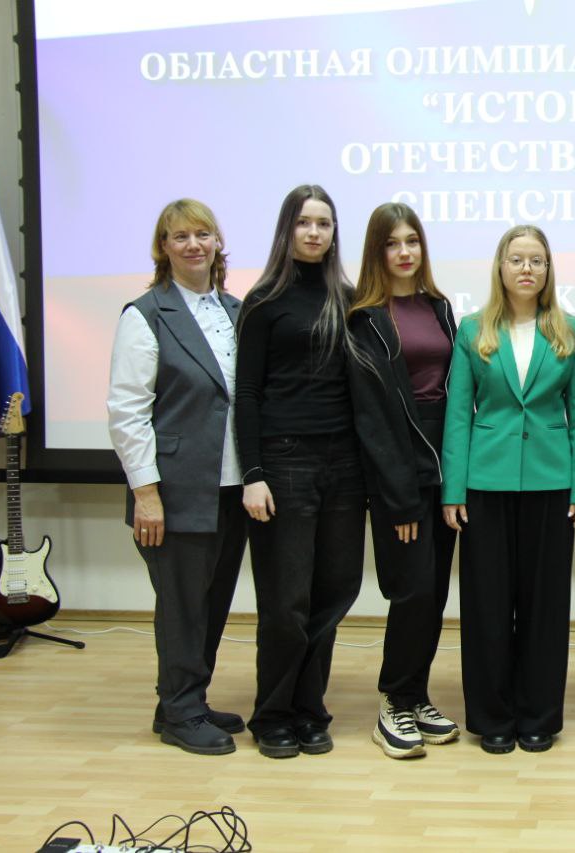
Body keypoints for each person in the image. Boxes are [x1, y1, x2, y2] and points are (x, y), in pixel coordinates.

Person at [441, 224, 575, 755]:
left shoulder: (570, 330)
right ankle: (492, 717)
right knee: (486, 604)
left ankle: (538, 716)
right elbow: (458, 415)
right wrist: (453, 490)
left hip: (553, 484)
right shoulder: (473, 330)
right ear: (500, 267)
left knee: (544, 606)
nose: (527, 268)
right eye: (517, 259)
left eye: (537, 260)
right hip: (484, 483)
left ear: (549, 270)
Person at [107, 199, 247, 756]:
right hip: (174, 490)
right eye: (180, 236)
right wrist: (146, 493)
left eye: (202, 234)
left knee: (212, 603)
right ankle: (181, 713)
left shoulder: (236, 311)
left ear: (217, 243)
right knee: (182, 606)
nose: (193, 245)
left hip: (232, 487)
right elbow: (127, 411)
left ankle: (185, 702)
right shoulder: (146, 314)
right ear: (163, 248)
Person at [235, 185, 366, 758]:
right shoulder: (263, 300)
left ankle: (310, 709)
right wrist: (253, 473)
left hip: (344, 464)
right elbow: (247, 393)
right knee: (286, 601)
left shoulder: (349, 299)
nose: (314, 232)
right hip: (284, 462)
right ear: (287, 229)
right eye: (304, 222)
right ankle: (272, 714)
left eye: (324, 224)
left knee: (335, 590)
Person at [347, 203, 459, 760]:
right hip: (399, 476)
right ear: (377, 251)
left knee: (434, 592)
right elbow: (370, 417)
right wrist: (398, 497)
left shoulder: (439, 307)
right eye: (392, 243)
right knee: (410, 589)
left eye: (412, 240)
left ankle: (416, 694)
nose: (405, 252)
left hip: (446, 470)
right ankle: (393, 699)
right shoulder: (363, 317)